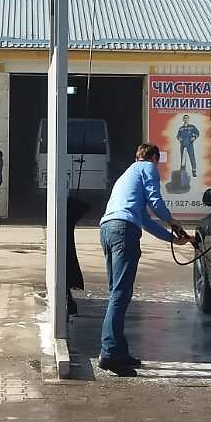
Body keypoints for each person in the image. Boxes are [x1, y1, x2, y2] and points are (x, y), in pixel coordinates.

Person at [97, 143, 189, 376]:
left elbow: (146, 220)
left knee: (117, 293)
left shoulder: (127, 175)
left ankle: (119, 351)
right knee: (120, 294)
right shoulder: (147, 168)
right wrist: (172, 221)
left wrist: (172, 238)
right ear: (154, 158)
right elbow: (155, 202)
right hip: (124, 232)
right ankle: (109, 354)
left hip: (108, 229)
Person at [65, 193, 89, 316]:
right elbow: (86, 207)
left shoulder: (66, 219)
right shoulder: (70, 219)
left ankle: (69, 305)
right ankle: (70, 305)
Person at [177, 114, 200, 180]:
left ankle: (194, 171)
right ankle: (183, 172)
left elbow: (197, 133)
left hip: (189, 144)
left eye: (187, 118)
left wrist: (194, 137)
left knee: (192, 157)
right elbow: (178, 136)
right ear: (183, 119)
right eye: (184, 118)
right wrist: (179, 138)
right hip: (183, 145)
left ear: (188, 119)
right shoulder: (181, 128)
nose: (186, 119)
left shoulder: (192, 127)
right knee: (183, 159)